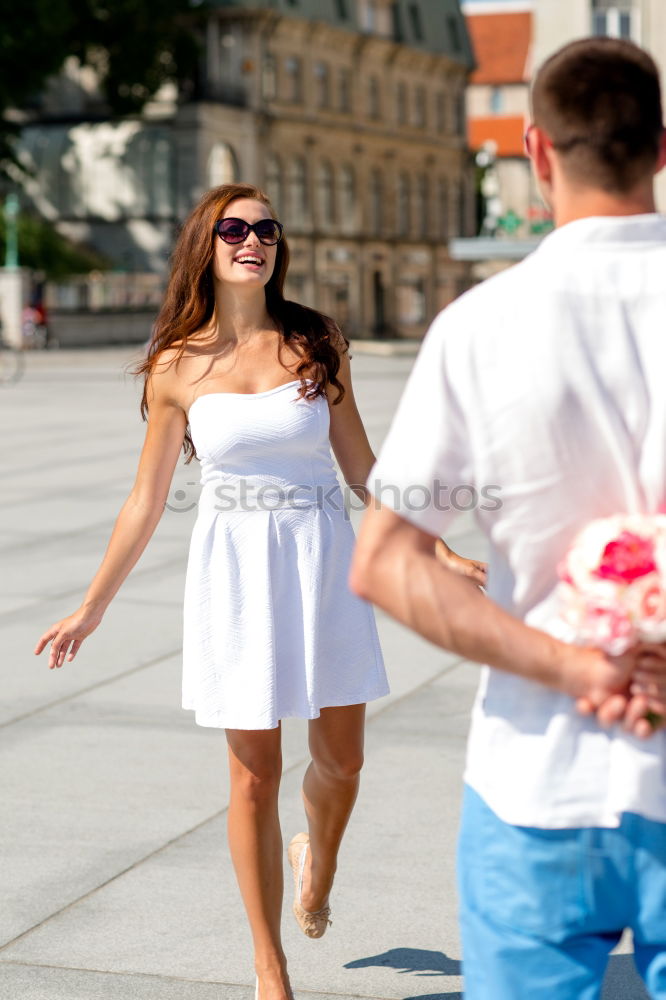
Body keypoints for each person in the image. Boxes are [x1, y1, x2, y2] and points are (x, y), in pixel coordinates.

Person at [33, 183, 481, 1000]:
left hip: (322, 561)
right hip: (234, 573)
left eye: (268, 228)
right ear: (206, 245)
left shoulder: (316, 342)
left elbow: (361, 469)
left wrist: (433, 544)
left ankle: (318, 862)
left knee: (341, 762)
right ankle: (269, 969)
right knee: (252, 774)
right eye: (235, 228)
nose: (254, 240)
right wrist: (92, 605)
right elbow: (145, 498)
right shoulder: (176, 363)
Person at [351, 38, 666, 1000]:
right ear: (662, 147)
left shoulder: (485, 325)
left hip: (539, 774)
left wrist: (576, 664)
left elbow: (386, 565)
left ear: (535, 150)